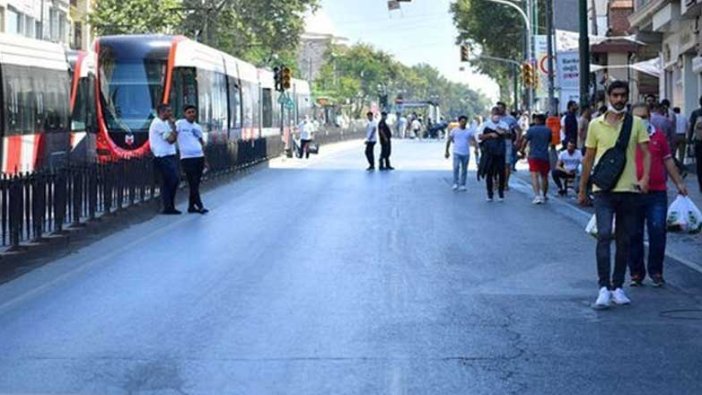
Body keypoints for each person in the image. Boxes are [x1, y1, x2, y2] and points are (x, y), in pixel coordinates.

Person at [578, 80, 651, 309]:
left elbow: (646, 153)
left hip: (629, 190)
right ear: (608, 97)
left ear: (627, 97)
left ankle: (618, 286)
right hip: (603, 190)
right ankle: (603, 288)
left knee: (624, 240)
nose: (619, 99)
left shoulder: (636, 123)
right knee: (604, 235)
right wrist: (582, 189)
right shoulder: (595, 125)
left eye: (623, 95)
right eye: (615, 95)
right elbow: (588, 158)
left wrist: (644, 178)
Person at [628, 103, 688, 287]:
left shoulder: (658, 136)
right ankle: (636, 273)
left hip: (657, 193)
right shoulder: (626, 137)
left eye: (644, 117)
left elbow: (668, 161)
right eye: (637, 117)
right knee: (634, 234)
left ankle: (656, 272)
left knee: (658, 233)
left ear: (649, 117)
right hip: (632, 192)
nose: (641, 120)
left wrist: (679, 182)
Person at [149, 103, 181, 215]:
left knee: (170, 181)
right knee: (172, 180)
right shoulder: (158, 123)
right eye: (168, 111)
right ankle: (168, 206)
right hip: (162, 156)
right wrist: (174, 128)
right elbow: (171, 139)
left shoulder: (165, 123)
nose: (171, 113)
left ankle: (169, 205)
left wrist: (172, 127)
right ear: (162, 112)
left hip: (169, 154)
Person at [176, 105, 208, 214]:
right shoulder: (179, 124)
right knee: (192, 182)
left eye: (193, 112)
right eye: (189, 112)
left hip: (199, 157)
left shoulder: (197, 127)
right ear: (185, 114)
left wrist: (205, 160)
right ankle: (200, 205)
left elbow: (201, 142)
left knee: (196, 183)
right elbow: (173, 134)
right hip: (187, 158)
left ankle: (191, 206)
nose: (191, 114)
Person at [477, 107, 509, 202]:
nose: (496, 116)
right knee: (489, 173)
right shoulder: (485, 125)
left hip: (500, 152)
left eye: (498, 115)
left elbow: (510, 136)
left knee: (501, 173)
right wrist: (490, 135)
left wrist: (503, 132)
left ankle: (501, 193)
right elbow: (480, 137)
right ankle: (490, 194)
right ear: (491, 114)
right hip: (489, 153)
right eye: (495, 114)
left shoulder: (504, 124)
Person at [521, 113, 552, 204]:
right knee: (544, 176)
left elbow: (525, 141)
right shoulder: (548, 130)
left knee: (534, 175)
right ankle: (544, 195)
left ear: (537, 120)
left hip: (533, 155)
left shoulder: (531, 130)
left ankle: (537, 196)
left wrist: (522, 150)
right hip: (544, 155)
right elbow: (550, 141)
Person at [445, 115, 476, 191]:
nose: (463, 123)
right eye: (462, 121)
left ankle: (463, 184)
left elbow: (473, 140)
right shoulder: (454, 130)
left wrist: (476, 148)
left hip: (466, 153)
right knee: (456, 167)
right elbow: (449, 140)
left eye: (465, 122)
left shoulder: (469, 131)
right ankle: (455, 183)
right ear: (459, 122)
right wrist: (447, 151)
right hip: (457, 152)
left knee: (464, 169)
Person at [497, 102, 521, 188]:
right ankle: (497, 182)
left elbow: (518, 130)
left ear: (504, 108)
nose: (499, 109)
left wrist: (517, 141)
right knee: (497, 163)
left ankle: (505, 183)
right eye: (498, 108)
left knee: (507, 163)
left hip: (507, 142)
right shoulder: (494, 118)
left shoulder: (511, 119)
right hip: (497, 143)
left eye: (501, 108)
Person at [688, 96, 702, 193]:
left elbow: (691, 128)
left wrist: (689, 141)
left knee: (700, 165)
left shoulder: (695, 113)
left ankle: (701, 185)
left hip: (699, 142)